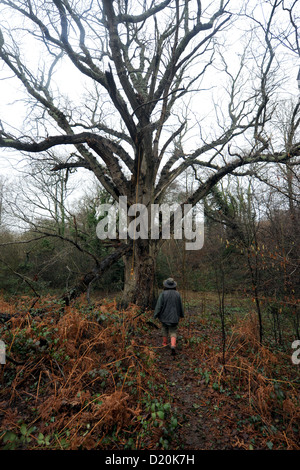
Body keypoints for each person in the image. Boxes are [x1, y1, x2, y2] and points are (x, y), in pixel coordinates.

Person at [153, 278, 184, 356]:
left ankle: (164, 343)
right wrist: (181, 314)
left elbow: (159, 305)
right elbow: (180, 305)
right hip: (174, 317)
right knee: (173, 330)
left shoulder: (163, 294)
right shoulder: (177, 294)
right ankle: (173, 345)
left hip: (164, 316)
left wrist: (155, 314)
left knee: (164, 328)